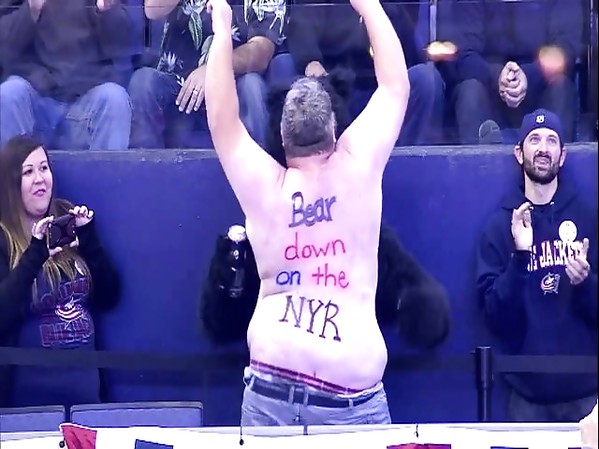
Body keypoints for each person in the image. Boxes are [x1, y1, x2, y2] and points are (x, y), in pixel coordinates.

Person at [204, 0, 409, 426]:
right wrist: (368, 5)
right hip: (343, 405)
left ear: (281, 137)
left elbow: (222, 120)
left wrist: (222, 31)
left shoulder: (265, 187)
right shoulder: (357, 167)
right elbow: (394, 86)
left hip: (272, 396)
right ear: (334, 129)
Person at [476, 108, 597, 422]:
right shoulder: (500, 225)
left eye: (551, 140)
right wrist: (520, 257)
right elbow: (494, 316)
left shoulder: (588, 217)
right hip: (527, 398)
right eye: (534, 140)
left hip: (586, 393)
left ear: (562, 155)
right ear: (519, 153)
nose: (543, 148)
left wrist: (585, 282)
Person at [0, 134, 120, 408]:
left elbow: (110, 296)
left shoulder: (66, 219)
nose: (39, 179)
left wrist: (90, 242)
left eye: (44, 168)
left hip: (85, 394)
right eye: (28, 172)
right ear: (11, 183)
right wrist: (36, 253)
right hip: (30, 403)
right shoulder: (4, 238)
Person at [128, 0, 287, 149]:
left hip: (232, 86)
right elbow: (152, 9)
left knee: (251, 86)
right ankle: (147, 168)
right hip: (178, 86)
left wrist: (213, 68)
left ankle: (257, 167)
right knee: (143, 82)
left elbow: (261, 50)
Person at [0, 0, 132, 150]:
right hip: (33, 94)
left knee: (115, 98)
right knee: (10, 94)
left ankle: (108, 166)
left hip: (87, 95)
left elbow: (123, 45)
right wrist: (31, 10)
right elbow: (4, 47)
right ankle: (16, 165)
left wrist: (107, 12)